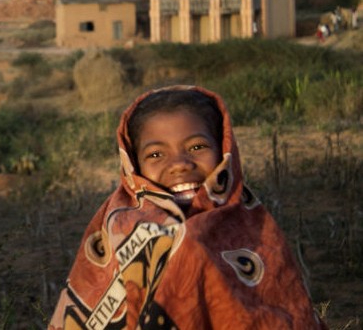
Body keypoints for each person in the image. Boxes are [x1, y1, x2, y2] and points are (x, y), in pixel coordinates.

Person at [49, 86, 325, 330]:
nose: (180, 163)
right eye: (156, 154)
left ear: (225, 150)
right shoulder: (121, 226)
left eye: (196, 146)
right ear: (133, 164)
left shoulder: (254, 224)